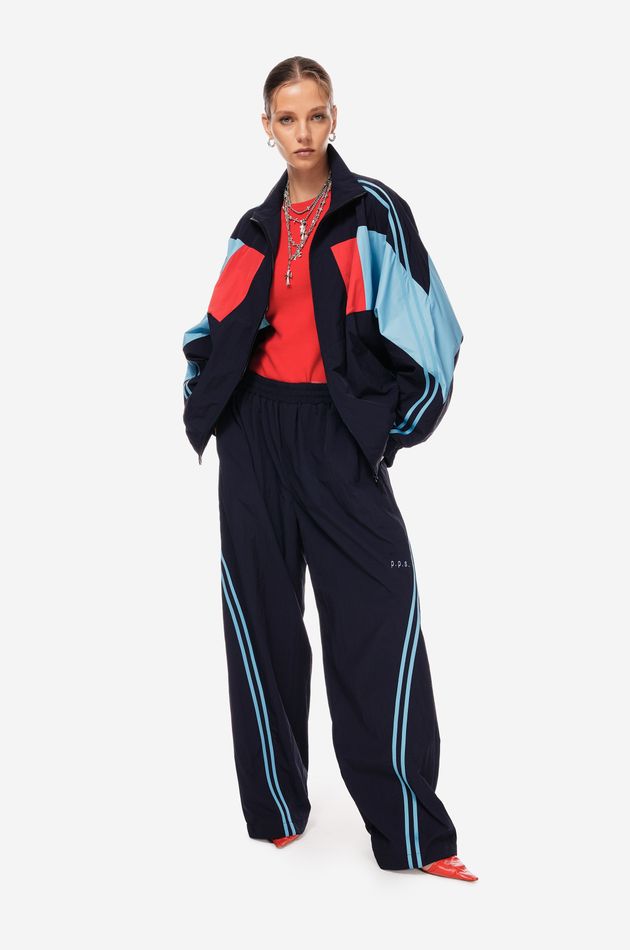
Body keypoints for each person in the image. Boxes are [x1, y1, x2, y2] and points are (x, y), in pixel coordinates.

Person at [182, 56, 477, 882]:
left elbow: (436, 334)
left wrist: (382, 436)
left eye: (316, 115)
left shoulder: (373, 212)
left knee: (378, 624)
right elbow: (209, 332)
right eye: (287, 118)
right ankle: (277, 808)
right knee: (261, 625)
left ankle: (414, 834)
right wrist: (206, 404)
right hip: (254, 436)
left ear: (334, 118)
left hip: (337, 437)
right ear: (267, 128)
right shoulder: (254, 225)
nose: (303, 132)